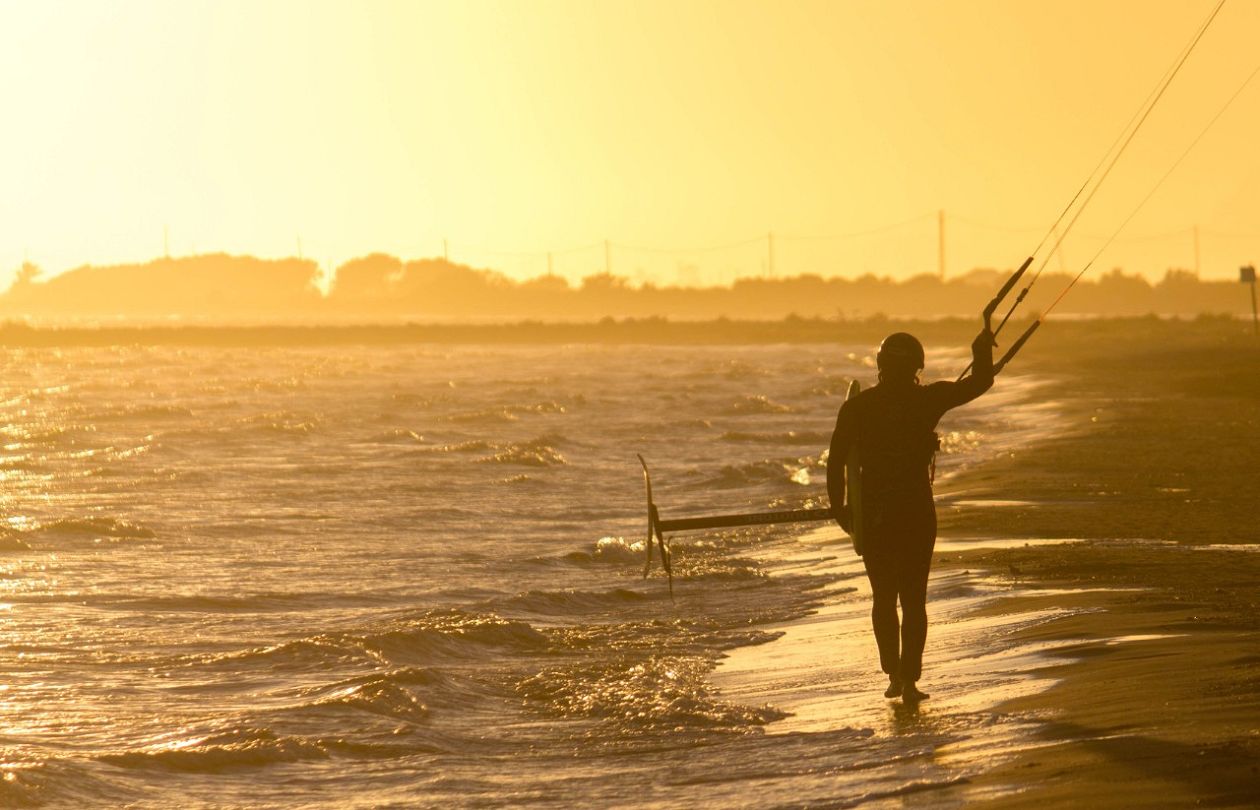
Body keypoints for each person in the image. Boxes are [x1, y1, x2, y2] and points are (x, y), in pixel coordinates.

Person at [827, 328, 994, 702]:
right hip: (916, 510)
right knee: (913, 598)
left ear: (880, 365)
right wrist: (980, 350)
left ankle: (895, 676)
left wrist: (843, 514)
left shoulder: (858, 406)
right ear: (918, 365)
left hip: (875, 514)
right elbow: (981, 381)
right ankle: (908, 680)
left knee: (884, 596)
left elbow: (836, 462)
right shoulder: (928, 399)